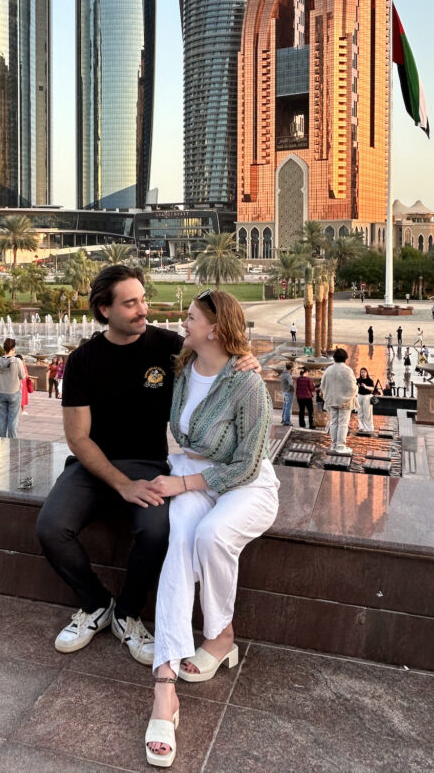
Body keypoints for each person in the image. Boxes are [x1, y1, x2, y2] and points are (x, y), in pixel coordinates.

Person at [35, 266, 260, 670]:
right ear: (105, 310)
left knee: (157, 531)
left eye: (143, 298)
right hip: (91, 466)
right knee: (51, 527)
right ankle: (95, 604)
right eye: (131, 303)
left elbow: (219, 355)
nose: (144, 310)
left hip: (150, 463)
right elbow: (78, 438)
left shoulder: (168, 347)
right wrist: (122, 485)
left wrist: (247, 361)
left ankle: (127, 614)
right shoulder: (82, 362)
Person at [146, 292, 279, 767]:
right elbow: (183, 436)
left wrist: (183, 480)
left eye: (191, 318)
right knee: (180, 540)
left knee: (211, 535)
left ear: (214, 329)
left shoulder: (247, 384)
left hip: (246, 485)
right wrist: (185, 473)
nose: (182, 322)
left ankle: (221, 636)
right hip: (192, 476)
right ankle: (165, 687)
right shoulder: (183, 368)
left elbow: (246, 462)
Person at [319, 348, 357, 455]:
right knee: (343, 423)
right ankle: (340, 446)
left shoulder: (328, 370)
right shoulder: (347, 370)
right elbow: (352, 387)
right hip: (345, 402)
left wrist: (328, 396)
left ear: (334, 357)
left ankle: (334, 444)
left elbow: (323, 385)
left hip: (332, 400)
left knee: (333, 422)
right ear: (345, 358)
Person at [0, 338, 26, 436]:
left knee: (2, 419)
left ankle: (1, 441)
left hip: (2, 392)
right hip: (14, 392)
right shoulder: (17, 361)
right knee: (13, 420)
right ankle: (12, 442)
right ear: (13, 348)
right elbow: (23, 376)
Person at [355, 366, 375, 432]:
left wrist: (366, 387)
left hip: (367, 396)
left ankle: (368, 427)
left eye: (364, 372)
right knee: (360, 412)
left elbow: (372, 388)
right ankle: (361, 426)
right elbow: (355, 387)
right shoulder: (358, 380)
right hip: (359, 396)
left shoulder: (370, 380)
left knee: (367, 412)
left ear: (366, 373)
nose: (362, 373)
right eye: (361, 372)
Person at [279, 361, 294, 425]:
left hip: (284, 391)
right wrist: (291, 389)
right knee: (288, 407)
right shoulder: (288, 375)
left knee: (285, 406)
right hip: (288, 392)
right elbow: (290, 384)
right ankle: (287, 421)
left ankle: (283, 419)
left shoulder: (283, 374)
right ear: (291, 368)